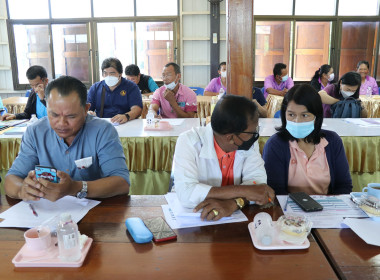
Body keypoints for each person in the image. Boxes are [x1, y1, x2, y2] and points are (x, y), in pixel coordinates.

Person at [4, 76, 130, 202]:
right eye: (53, 115)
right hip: (47, 213)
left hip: (94, 211)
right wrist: (22, 190)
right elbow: (11, 179)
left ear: (86, 109)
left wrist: (76, 188)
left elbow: (122, 183)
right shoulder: (35, 132)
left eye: (71, 116)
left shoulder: (102, 131)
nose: (61, 124)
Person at [173, 95, 275, 221]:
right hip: (196, 220)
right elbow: (187, 193)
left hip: (238, 218)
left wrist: (234, 203)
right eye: (253, 131)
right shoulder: (189, 141)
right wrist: (245, 191)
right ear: (230, 137)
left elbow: (258, 184)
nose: (255, 135)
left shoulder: (247, 141)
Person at [262, 84, 353, 195]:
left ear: (316, 117)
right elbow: (276, 191)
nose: (297, 121)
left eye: (304, 115)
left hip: (328, 208)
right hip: (289, 209)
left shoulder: (332, 141)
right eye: (291, 114)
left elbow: (344, 186)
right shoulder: (276, 144)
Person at [87, 58, 143, 124]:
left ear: (120, 74)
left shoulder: (131, 87)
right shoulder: (96, 88)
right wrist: (89, 113)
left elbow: (137, 109)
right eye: (105, 73)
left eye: (112, 73)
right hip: (102, 124)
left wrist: (127, 116)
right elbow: (87, 107)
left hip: (125, 123)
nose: (108, 76)